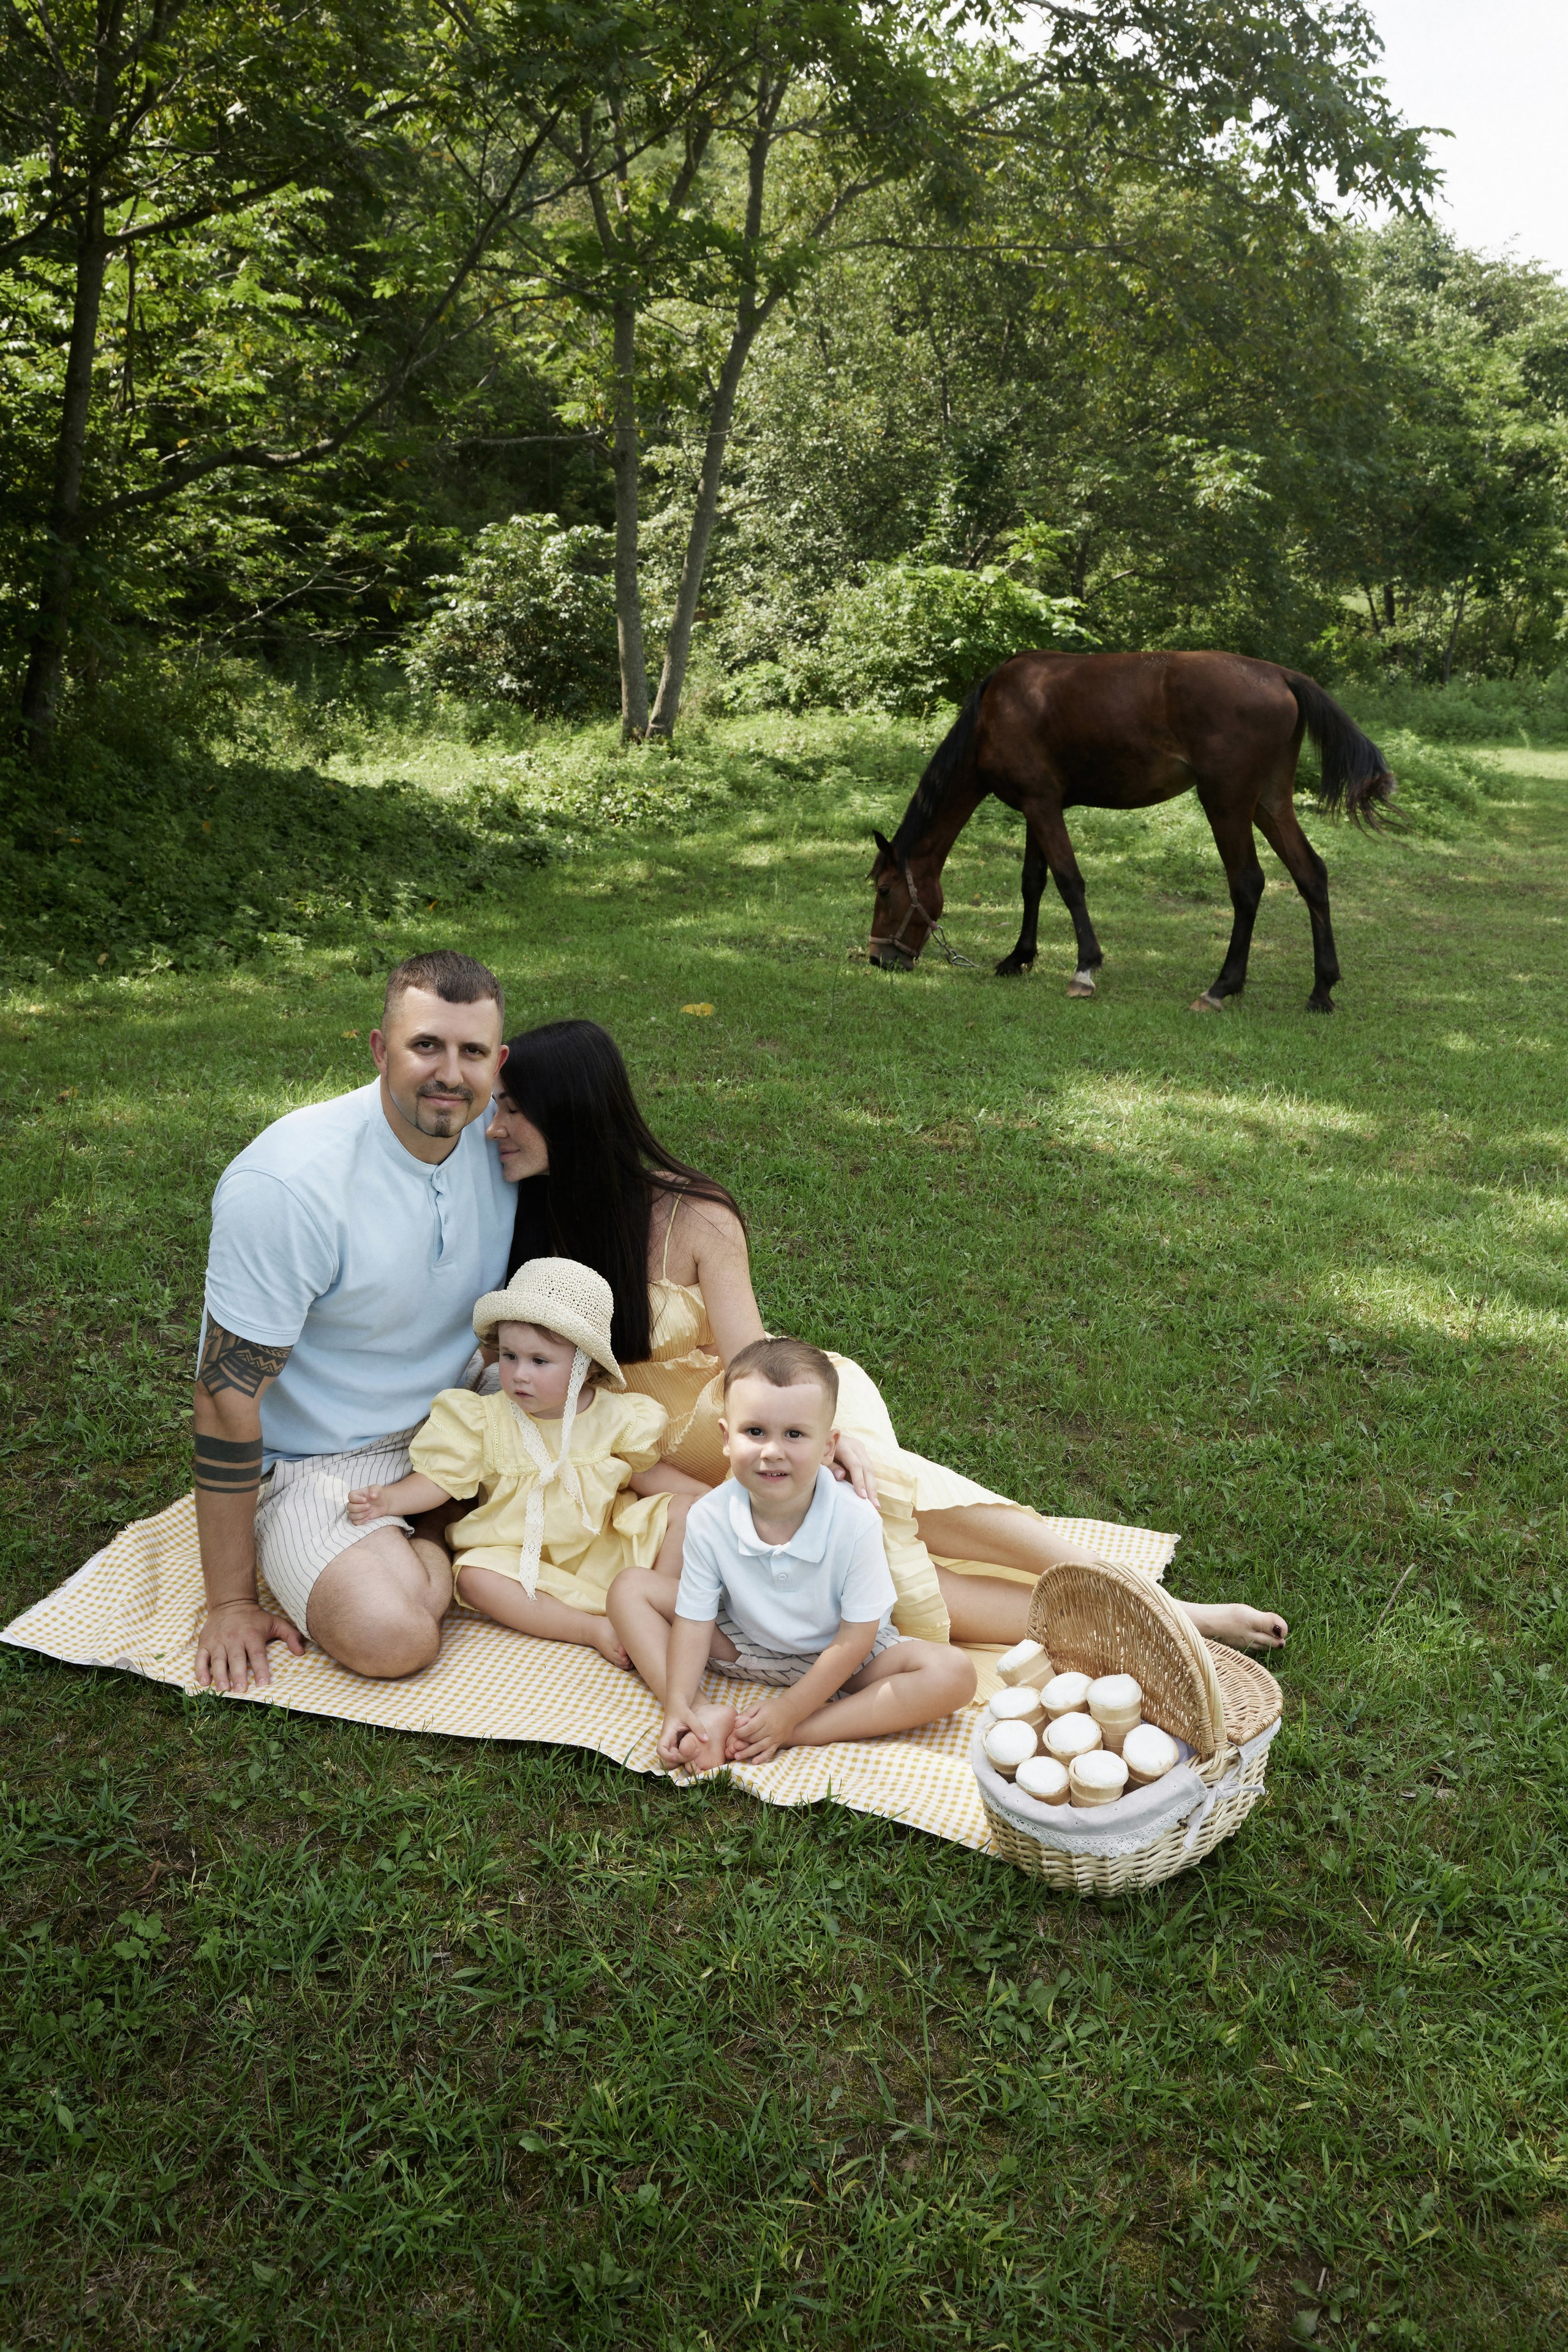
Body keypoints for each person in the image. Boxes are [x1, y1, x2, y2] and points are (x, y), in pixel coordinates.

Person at [487, 1019, 1289, 1656]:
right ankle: (1136, 1630)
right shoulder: (525, 1221)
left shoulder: (695, 1216)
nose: (495, 1128)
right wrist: (713, 1501)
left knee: (883, 1494)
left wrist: (818, 1437)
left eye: (513, 1110)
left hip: (765, 1408)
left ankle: (1154, 1598)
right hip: (648, 1470)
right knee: (872, 1574)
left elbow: (751, 1360)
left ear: (571, 1115)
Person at [192, 950, 518, 1692]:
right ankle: (438, 1525)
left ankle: (436, 1517)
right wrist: (232, 1601)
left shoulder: (506, 1133)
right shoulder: (286, 1184)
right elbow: (224, 1396)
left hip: (471, 1406)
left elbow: (632, 1189)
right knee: (392, 1635)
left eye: (472, 1053)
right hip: (325, 1463)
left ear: (497, 1063)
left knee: (661, 1470)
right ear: (379, 1049)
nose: (450, 1075)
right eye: (425, 1045)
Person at [609, 1338, 976, 1773]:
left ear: (828, 1446)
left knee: (954, 1674)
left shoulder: (854, 1521)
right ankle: (699, 1717)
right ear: (727, 1438)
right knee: (629, 1589)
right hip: (744, 1642)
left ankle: (794, 1733)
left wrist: (789, 1713)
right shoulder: (709, 1516)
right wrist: (677, 1703)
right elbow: (694, 1619)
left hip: (845, 1656)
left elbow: (857, 1636)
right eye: (755, 1432)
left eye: (795, 1435)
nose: (772, 1451)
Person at [345, 1258, 702, 1668]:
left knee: (686, 1512)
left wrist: (700, 1496)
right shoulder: (485, 1419)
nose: (519, 1375)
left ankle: (659, 1604)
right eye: (510, 1356)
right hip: (519, 1555)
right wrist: (388, 1501)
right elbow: (440, 1480)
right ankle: (592, 1629)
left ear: (584, 1368)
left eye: (539, 1361)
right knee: (475, 1576)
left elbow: (646, 1474)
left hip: (605, 1547)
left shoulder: (615, 1417)